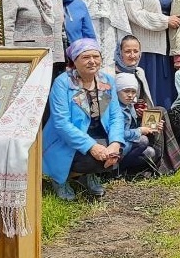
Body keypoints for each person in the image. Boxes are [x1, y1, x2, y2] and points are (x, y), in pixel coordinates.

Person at [43, 39, 125, 200]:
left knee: (121, 150)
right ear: (74, 61)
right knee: (94, 159)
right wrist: (92, 146)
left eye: (96, 56)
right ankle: (60, 178)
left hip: (100, 136)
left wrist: (115, 142)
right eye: (86, 57)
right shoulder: (63, 83)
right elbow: (62, 123)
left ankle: (87, 175)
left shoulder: (106, 81)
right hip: (66, 141)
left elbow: (116, 116)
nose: (92, 61)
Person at [115, 35, 180, 175]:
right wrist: (134, 110)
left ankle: (161, 161)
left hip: (138, 118)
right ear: (120, 52)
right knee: (161, 112)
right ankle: (162, 162)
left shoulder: (139, 71)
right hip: (123, 122)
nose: (132, 55)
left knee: (159, 112)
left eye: (136, 51)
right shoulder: (112, 73)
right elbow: (113, 108)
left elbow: (147, 100)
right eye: (128, 51)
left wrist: (146, 111)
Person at [122, 0, 180, 109]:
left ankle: (166, 130)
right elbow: (135, 13)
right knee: (149, 95)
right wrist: (165, 21)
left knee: (167, 95)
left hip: (167, 47)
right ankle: (147, 131)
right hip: (147, 48)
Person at [115, 73, 162, 176]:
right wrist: (140, 130)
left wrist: (152, 126)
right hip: (116, 146)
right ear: (117, 91)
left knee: (151, 152)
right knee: (142, 141)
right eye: (126, 91)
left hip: (127, 145)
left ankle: (126, 169)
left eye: (133, 92)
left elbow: (132, 126)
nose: (130, 95)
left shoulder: (130, 106)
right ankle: (116, 170)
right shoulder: (115, 109)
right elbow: (117, 134)